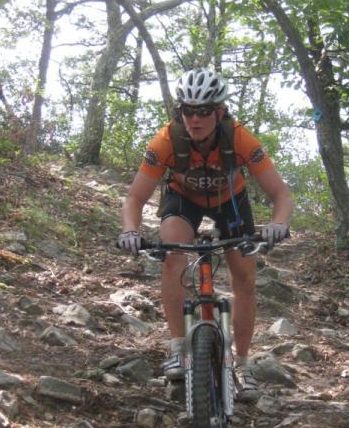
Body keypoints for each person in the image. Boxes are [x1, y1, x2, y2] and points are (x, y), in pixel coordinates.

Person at [117, 67, 293, 399]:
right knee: (172, 253)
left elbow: (281, 194)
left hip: (232, 203)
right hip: (184, 201)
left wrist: (278, 224)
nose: (195, 119)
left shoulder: (240, 138)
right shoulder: (166, 140)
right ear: (179, 111)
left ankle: (241, 365)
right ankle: (179, 348)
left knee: (245, 279)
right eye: (188, 110)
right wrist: (130, 230)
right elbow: (135, 198)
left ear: (220, 112)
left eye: (204, 111)